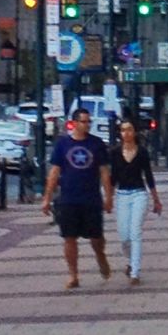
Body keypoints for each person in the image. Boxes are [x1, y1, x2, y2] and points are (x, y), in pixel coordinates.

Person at [42, 106, 113, 289]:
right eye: (83, 121)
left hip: (91, 198)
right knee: (69, 237)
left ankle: (100, 255)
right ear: (74, 123)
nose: (87, 124)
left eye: (89, 121)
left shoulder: (97, 144)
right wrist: (47, 197)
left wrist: (108, 196)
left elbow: (104, 172)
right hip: (68, 198)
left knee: (96, 237)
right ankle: (73, 274)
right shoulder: (63, 144)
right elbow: (54, 172)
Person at [110, 119, 162, 284]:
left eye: (129, 129)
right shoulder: (115, 153)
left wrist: (156, 199)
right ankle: (130, 259)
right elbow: (112, 178)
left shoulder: (142, 152)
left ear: (135, 132)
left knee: (135, 232)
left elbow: (149, 177)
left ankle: (135, 271)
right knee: (124, 236)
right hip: (122, 195)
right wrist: (108, 198)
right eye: (123, 130)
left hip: (139, 194)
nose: (126, 133)